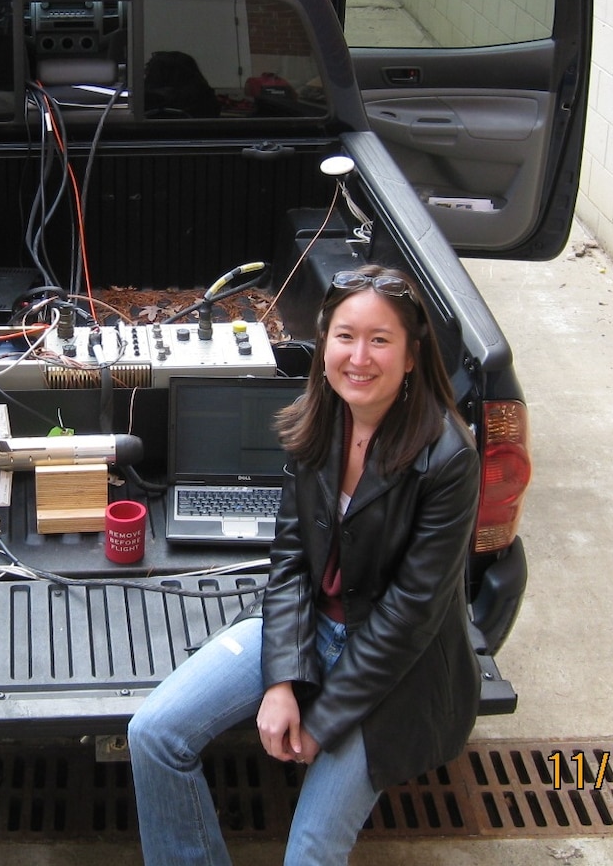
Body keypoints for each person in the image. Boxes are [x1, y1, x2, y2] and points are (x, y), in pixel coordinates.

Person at [128, 265, 482, 866]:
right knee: (154, 734)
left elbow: (408, 619)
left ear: (412, 355)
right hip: (311, 632)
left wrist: (323, 722)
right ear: (323, 347)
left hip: (395, 675)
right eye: (345, 336)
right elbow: (291, 562)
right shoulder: (315, 422)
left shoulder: (448, 461)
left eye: (380, 339)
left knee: (310, 852)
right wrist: (282, 678)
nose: (359, 357)